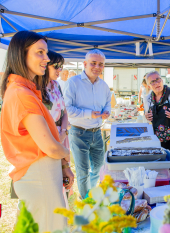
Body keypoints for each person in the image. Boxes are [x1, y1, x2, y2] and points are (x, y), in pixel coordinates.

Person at [0, 31, 71, 232]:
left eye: (46, 53)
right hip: (39, 174)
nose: (47, 59)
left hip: (41, 172)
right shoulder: (22, 93)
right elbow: (50, 146)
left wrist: (64, 164)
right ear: (21, 55)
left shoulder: (23, 89)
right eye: (40, 52)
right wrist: (66, 154)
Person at [64, 49, 111, 199]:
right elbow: (67, 109)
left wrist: (107, 111)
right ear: (85, 64)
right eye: (93, 63)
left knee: (98, 167)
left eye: (101, 64)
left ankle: (88, 192)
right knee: (82, 170)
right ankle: (86, 200)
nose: (97, 66)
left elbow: (108, 103)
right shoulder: (73, 82)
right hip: (78, 132)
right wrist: (88, 113)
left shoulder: (103, 85)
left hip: (97, 132)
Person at [42, 51, 73, 197]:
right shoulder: (37, 89)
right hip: (48, 139)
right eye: (56, 66)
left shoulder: (56, 85)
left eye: (61, 66)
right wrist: (58, 135)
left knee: (63, 180)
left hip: (61, 136)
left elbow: (65, 111)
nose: (59, 70)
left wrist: (64, 132)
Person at [144, 71, 170, 170]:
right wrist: (146, 116)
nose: (157, 83)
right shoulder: (148, 98)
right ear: (148, 86)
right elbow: (147, 116)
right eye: (153, 82)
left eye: (158, 79)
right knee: (158, 164)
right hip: (156, 138)